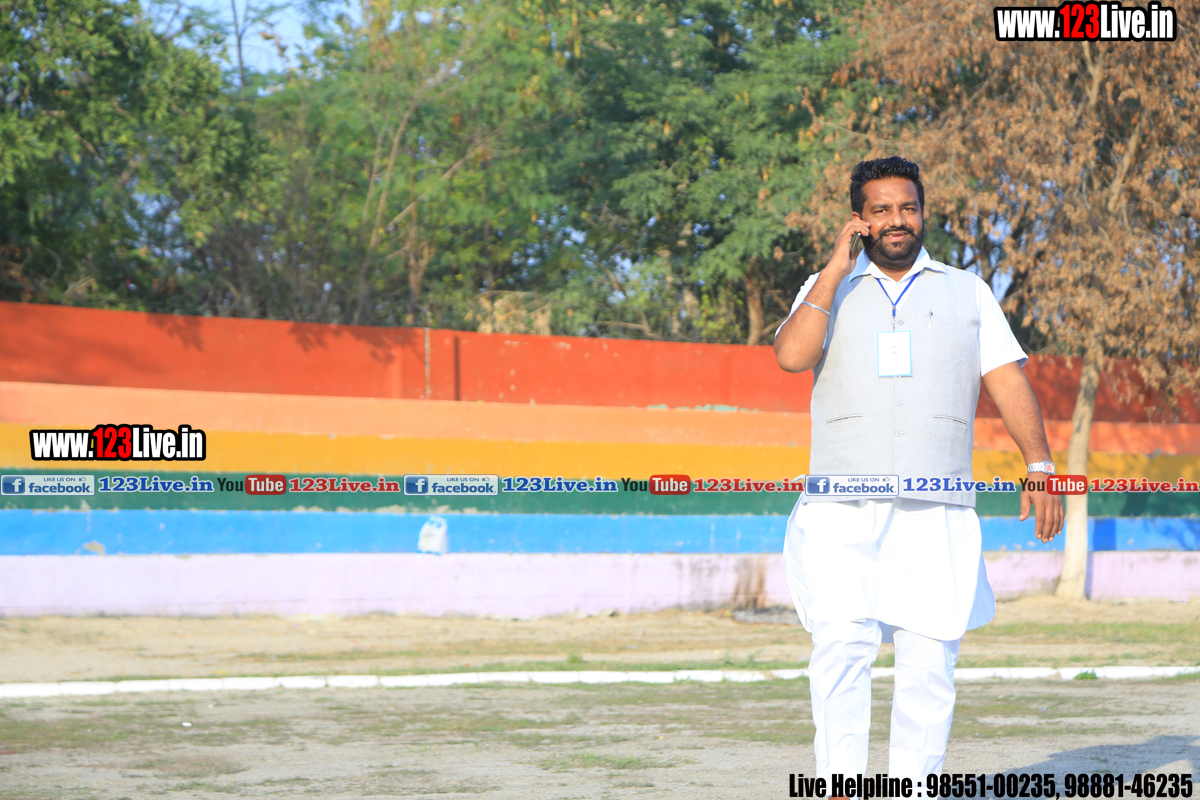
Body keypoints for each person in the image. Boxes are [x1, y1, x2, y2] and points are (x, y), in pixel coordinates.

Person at [773, 156, 1065, 783]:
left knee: (930, 663)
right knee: (841, 651)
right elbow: (792, 356)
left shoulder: (968, 291)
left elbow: (1007, 381)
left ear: (923, 213)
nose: (897, 220)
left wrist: (1040, 463)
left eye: (907, 207)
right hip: (840, 508)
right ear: (859, 219)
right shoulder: (826, 287)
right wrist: (834, 269)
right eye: (880, 210)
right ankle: (839, 788)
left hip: (938, 509)